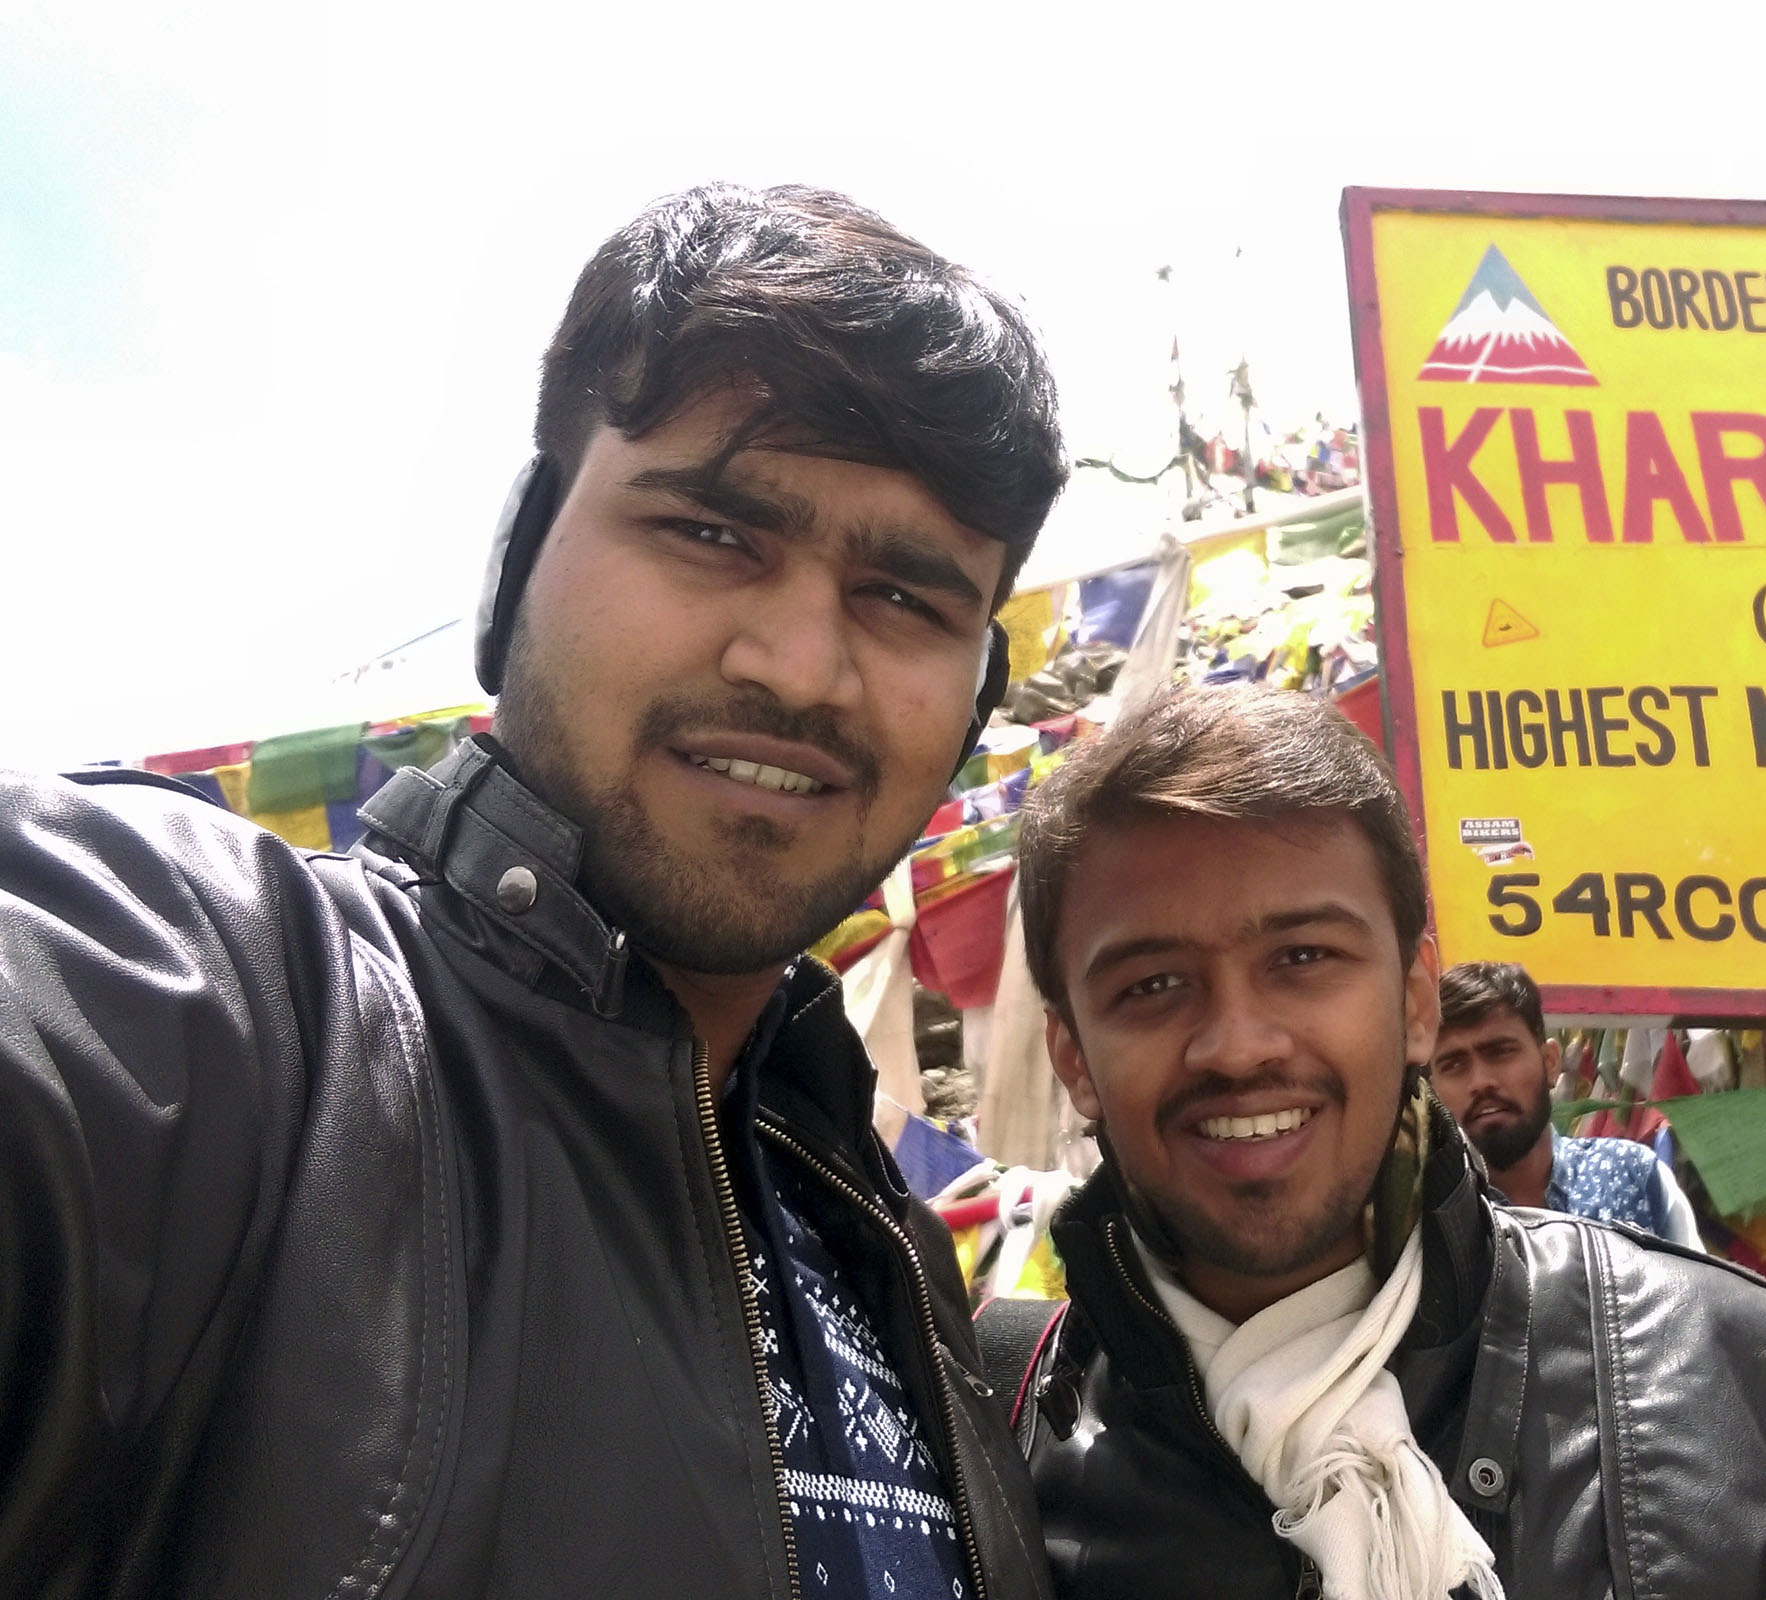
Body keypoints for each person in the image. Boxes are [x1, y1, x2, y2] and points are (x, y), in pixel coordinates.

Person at [0, 183, 1068, 1598]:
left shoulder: (886, 1241)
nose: (802, 666)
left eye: (907, 597)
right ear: (521, 558)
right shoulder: (228, 1003)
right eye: (712, 531)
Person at [1001, 684, 1766, 1600]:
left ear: (1416, 997)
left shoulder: (1757, 1381)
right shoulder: (986, 1462)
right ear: (1073, 1053)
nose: (1239, 1044)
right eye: (1152, 985)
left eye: (1303, 958)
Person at [1430, 960, 1702, 1245]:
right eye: (1454, 1064)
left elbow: (1700, 1289)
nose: (1481, 1081)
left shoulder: (1635, 1177)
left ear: (1550, 1062)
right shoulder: (1426, 1220)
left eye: (1500, 1052)